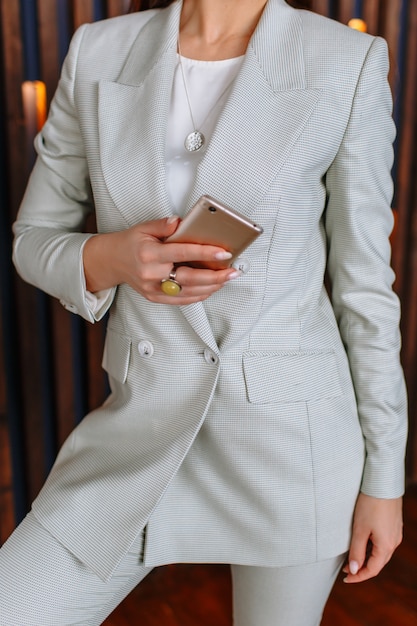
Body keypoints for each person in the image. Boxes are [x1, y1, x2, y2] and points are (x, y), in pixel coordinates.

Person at [0, 0, 408, 624]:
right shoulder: (98, 50)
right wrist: (111, 257)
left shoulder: (344, 61)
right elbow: (33, 238)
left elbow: (365, 291)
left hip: (291, 448)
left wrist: (385, 481)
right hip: (138, 428)